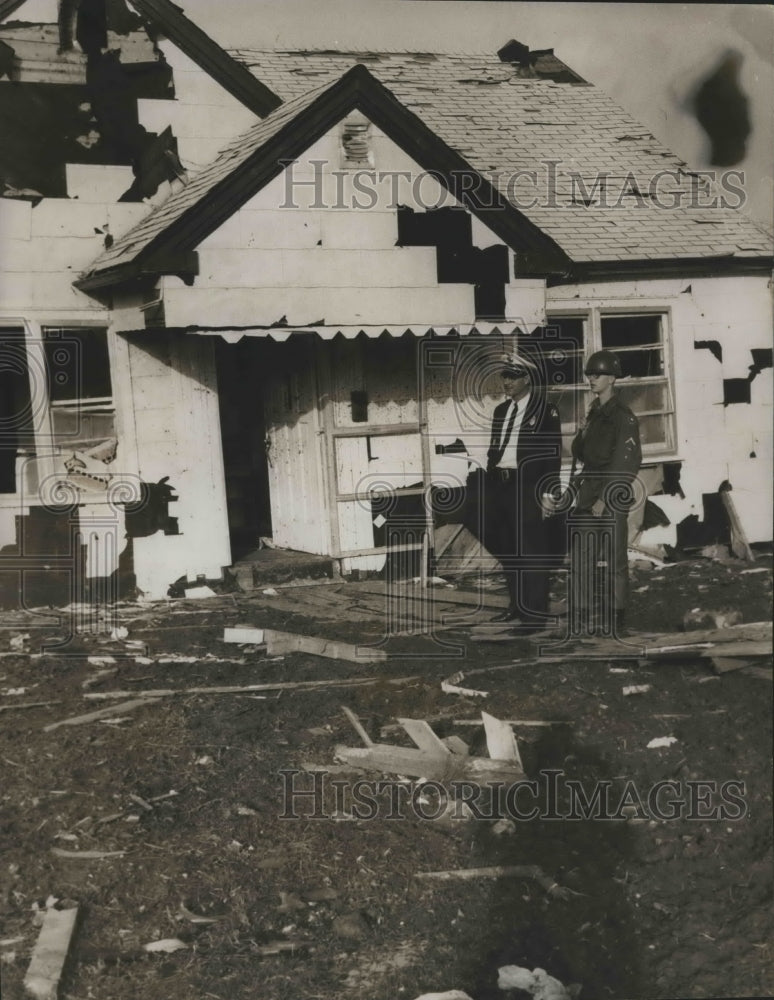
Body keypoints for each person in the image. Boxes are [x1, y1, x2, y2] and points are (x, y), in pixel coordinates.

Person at [482, 352, 562, 634]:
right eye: (504, 376)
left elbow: (553, 455)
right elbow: (496, 450)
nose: (507, 382)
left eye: (513, 376)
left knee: (532, 553)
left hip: (528, 488)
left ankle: (534, 617)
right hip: (501, 487)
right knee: (509, 552)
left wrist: (550, 493)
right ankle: (516, 606)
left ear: (527, 378)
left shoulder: (545, 411)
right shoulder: (501, 412)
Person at [568, 350, 642, 634]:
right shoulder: (594, 413)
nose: (591, 379)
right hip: (588, 493)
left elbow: (626, 463)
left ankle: (616, 619)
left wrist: (604, 499)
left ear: (611, 378)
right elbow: (580, 452)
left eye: (596, 375)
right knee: (581, 559)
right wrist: (583, 433)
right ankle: (581, 616)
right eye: (589, 375)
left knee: (615, 560)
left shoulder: (624, 417)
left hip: (610, 495)